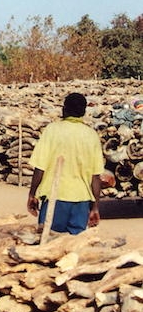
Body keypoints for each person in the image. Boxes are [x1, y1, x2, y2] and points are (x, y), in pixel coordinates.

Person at [27, 92, 104, 234]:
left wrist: (32, 194)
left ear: (64, 109)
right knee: (74, 247)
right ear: (83, 111)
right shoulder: (91, 135)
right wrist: (95, 208)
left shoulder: (52, 130)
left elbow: (40, 168)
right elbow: (95, 177)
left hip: (55, 198)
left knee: (48, 245)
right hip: (81, 202)